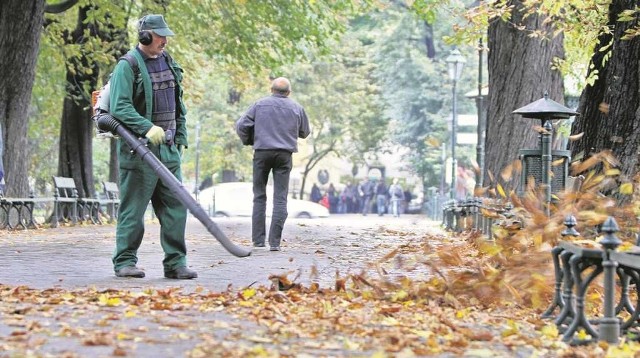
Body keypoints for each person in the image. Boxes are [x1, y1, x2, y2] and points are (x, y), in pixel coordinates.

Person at [109, 15, 196, 279]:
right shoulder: (129, 65)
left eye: (165, 35)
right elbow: (119, 107)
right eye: (159, 36)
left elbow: (178, 102)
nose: (164, 40)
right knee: (133, 210)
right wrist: (146, 127)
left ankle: (176, 263)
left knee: (175, 207)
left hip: (168, 150)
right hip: (139, 151)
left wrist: (179, 136)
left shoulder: (169, 62)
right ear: (145, 36)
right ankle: (124, 262)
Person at [236, 77, 310, 251]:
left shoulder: (259, 105)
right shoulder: (297, 108)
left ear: (271, 89)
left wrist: (249, 140)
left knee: (259, 196)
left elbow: (241, 126)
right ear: (289, 92)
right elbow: (305, 132)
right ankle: (275, 243)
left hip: (262, 153)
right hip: (284, 155)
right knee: (280, 198)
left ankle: (258, 240)